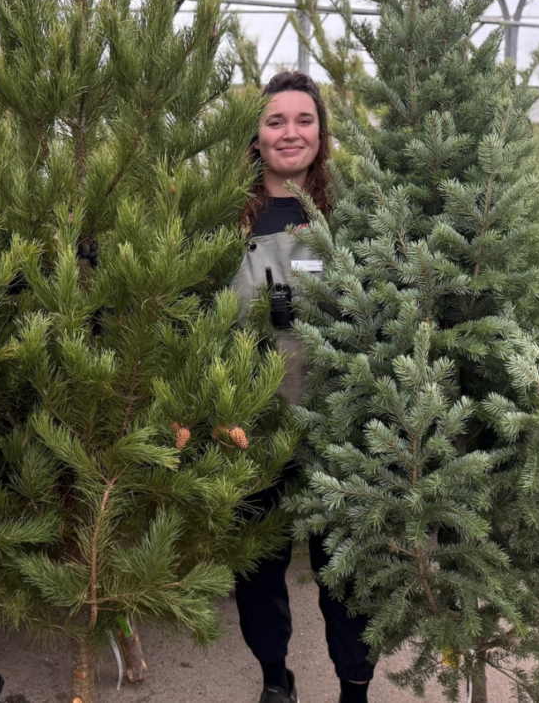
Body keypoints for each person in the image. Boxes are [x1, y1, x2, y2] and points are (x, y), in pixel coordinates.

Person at [226, 70, 373, 703]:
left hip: (336, 422)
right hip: (249, 426)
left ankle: (355, 684)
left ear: (321, 131)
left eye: (304, 119)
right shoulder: (226, 215)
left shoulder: (350, 214)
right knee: (259, 564)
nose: (291, 132)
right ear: (254, 135)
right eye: (275, 120)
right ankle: (274, 677)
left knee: (344, 564)